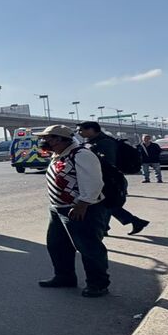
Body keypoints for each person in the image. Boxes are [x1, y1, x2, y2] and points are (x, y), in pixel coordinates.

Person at [35, 124, 111, 297]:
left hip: (82, 209)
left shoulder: (81, 154)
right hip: (58, 209)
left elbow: (93, 182)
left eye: (48, 138)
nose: (44, 141)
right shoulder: (59, 155)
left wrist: (82, 204)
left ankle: (98, 284)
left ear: (61, 139)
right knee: (57, 245)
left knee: (88, 247)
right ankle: (64, 277)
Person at [77, 121, 150, 235]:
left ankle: (132, 222)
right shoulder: (91, 142)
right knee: (106, 204)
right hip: (103, 178)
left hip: (110, 180)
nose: (79, 132)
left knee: (107, 204)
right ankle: (108, 227)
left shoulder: (106, 143)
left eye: (81, 130)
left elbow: (109, 164)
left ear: (91, 129)